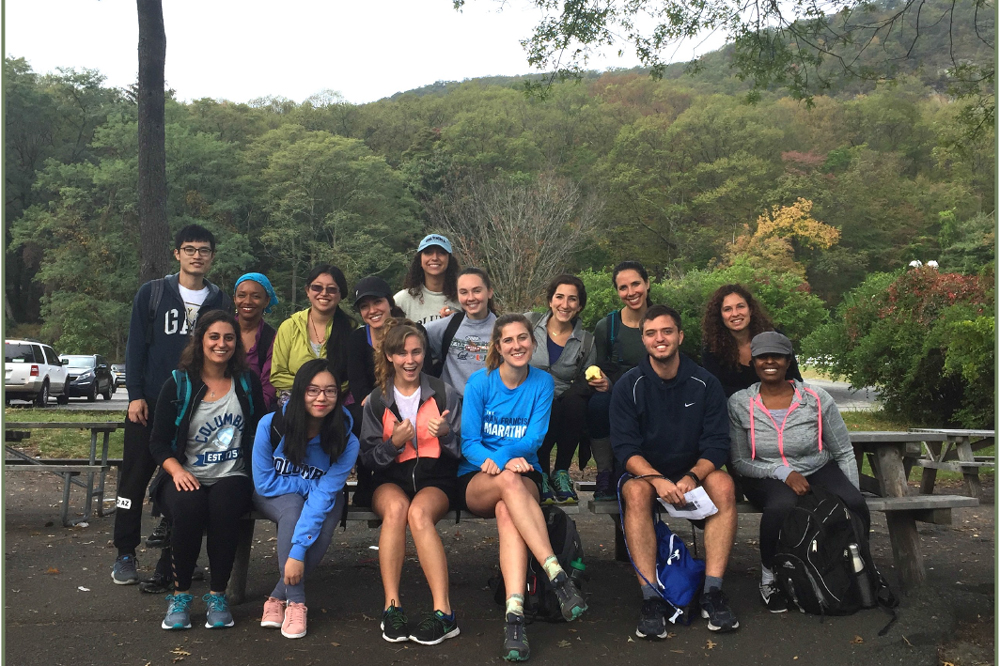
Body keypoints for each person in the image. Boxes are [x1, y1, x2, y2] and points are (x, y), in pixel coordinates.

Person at [459, 314, 587, 662]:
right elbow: (469, 442)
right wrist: (499, 462)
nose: (517, 346)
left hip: (519, 473)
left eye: (523, 338)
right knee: (506, 486)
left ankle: (514, 616)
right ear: (497, 347)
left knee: (508, 508)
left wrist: (505, 460)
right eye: (508, 340)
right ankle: (556, 575)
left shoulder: (542, 383)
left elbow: (535, 438)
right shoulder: (479, 383)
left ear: (533, 342)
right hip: (478, 476)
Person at [113, 224, 234, 588]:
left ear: (212, 256)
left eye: (204, 250)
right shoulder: (153, 294)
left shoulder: (219, 301)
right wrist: (134, 393)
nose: (197, 255)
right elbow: (136, 346)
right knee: (133, 479)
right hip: (149, 401)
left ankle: (178, 557)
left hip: (196, 405)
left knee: (189, 480)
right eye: (190, 248)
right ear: (177, 253)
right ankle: (125, 552)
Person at [610, 304, 739, 638]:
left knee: (723, 484)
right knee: (636, 492)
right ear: (643, 340)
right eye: (651, 333)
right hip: (647, 473)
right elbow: (625, 449)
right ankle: (651, 599)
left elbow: (716, 445)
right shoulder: (629, 384)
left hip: (691, 471)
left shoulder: (705, 383)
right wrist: (656, 479)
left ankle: (712, 592)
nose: (660, 339)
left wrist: (691, 477)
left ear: (680, 336)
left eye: (667, 331)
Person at [728, 331, 867, 614]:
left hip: (816, 466)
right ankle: (768, 577)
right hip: (765, 474)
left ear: (788, 361)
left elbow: (843, 450)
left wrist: (851, 490)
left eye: (777, 356)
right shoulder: (740, 403)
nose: (770, 362)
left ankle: (857, 565)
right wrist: (782, 472)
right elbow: (740, 461)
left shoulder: (816, 399)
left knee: (854, 503)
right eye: (762, 357)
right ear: (753, 362)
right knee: (782, 505)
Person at [148, 310, 266, 630]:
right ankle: (181, 595)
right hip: (184, 472)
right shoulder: (178, 383)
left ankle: (217, 594)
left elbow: (261, 430)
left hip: (233, 473)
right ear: (200, 340)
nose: (221, 343)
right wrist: (177, 471)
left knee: (225, 508)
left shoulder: (246, 381)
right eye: (214, 336)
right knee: (189, 506)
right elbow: (157, 443)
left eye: (229, 337)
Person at [360, 321, 463, 645]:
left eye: (416, 351)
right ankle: (393, 607)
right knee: (396, 509)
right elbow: (368, 459)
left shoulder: (444, 393)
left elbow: (462, 450)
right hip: (390, 480)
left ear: (424, 354)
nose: (409, 359)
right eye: (401, 352)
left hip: (436, 480)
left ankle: (444, 614)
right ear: (389, 355)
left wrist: (446, 436)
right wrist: (393, 444)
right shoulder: (377, 400)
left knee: (418, 514)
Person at [253, 359, 360, 639]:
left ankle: (277, 597)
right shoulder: (272, 425)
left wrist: (298, 552)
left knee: (322, 526)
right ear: (300, 391)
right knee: (293, 508)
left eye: (330, 391)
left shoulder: (346, 439)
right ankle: (297, 601)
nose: (321, 398)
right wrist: (307, 485)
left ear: (339, 395)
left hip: (323, 497)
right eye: (313, 390)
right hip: (273, 494)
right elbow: (264, 482)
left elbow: (326, 493)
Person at [525, 274, 600, 505]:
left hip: (565, 402)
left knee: (574, 402)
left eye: (572, 299)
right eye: (559, 297)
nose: (564, 305)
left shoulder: (586, 341)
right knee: (548, 406)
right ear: (550, 300)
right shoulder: (529, 322)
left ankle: (561, 472)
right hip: (529, 397)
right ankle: (542, 475)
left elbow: (587, 378)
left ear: (579, 306)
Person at [588, 261, 652, 501]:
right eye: (623, 287)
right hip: (618, 393)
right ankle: (605, 472)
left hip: (656, 392)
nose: (631, 292)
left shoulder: (662, 320)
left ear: (647, 284)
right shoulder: (607, 327)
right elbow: (600, 367)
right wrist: (602, 381)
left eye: (636, 284)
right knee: (598, 404)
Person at [271, 264, 355, 406]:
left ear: (341, 295)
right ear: (307, 291)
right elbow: (277, 375)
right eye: (317, 288)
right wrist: (313, 386)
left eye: (331, 289)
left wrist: (326, 392)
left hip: (335, 404)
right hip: (293, 402)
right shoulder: (289, 327)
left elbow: (352, 377)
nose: (324, 293)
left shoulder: (352, 329)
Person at [700, 284, 802, 398]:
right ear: (720, 315)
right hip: (733, 411)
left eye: (740, 306)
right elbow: (715, 390)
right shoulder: (712, 348)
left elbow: (795, 381)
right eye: (727, 309)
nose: (735, 313)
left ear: (751, 309)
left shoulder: (775, 339)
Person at [423, 267, 497, 396]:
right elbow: (412, 335)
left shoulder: (502, 329)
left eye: (477, 291)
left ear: (489, 292)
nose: (470, 298)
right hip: (452, 409)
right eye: (463, 292)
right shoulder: (448, 325)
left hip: (489, 407)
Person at [346, 276, 406, 414]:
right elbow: (358, 387)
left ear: (390, 303)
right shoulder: (357, 339)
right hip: (373, 408)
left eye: (377, 302)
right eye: (364, 306)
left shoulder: (411, 333)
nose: (372, 310)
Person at [394, 234, 461, 325]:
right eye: (428, 252)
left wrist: (460, 320)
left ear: (449, 259)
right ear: (419, 260)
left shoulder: (463, 298)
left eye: (441, 252)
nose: (434, 258)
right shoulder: (402, 300)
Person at [235, 272, 279, 410]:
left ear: (266, 301)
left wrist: (253, 414)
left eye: (256, 296)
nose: (247, 301)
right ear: (234, 299)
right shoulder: (222, 332)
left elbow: (269, 384)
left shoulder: (271, 338)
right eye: (241, 295)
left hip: (256, 408)